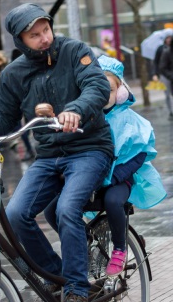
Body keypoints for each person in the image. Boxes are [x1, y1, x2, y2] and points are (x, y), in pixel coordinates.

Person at [0, 3, 114, 302]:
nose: (44, 38)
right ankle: (57, 277)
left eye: (46, 30)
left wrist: (76, 110)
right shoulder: (14, 73)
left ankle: (78, 294)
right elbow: (4, 117)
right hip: (49, 156)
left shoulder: (75, 51)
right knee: (14, 216)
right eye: (34, 35)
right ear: (20, 40)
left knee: (68, 209)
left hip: (88, 148)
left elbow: (97, 88)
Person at [42, 55, 166, 280]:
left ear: (120, 91)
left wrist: (120, 174)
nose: (103, 95)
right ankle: (82, 239)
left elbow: (141, 152)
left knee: (112, 201)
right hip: (90, 176)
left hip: (120, 178)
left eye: (108, 89)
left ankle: (120, 248)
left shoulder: (130, 120)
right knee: (52, 209)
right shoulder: (87, 115)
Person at [159, 35, 173, 120]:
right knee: (168, 94)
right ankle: (171, 111)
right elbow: (161, 66)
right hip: (169, 78)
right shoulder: (166, 51)